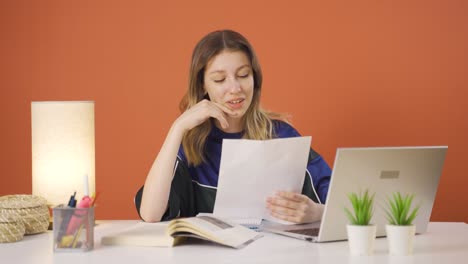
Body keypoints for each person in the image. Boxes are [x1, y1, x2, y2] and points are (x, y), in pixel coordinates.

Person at [138, 29, 331, 224]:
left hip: (273, 253)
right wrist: (177, 129)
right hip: (206, 254)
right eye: (219, 79)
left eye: (243, 75)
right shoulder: (190, 144)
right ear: (203, 85)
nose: (235, 88)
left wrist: (317, 213)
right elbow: (151, 214)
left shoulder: (282, 136)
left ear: (255, 78)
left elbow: (345, 203)